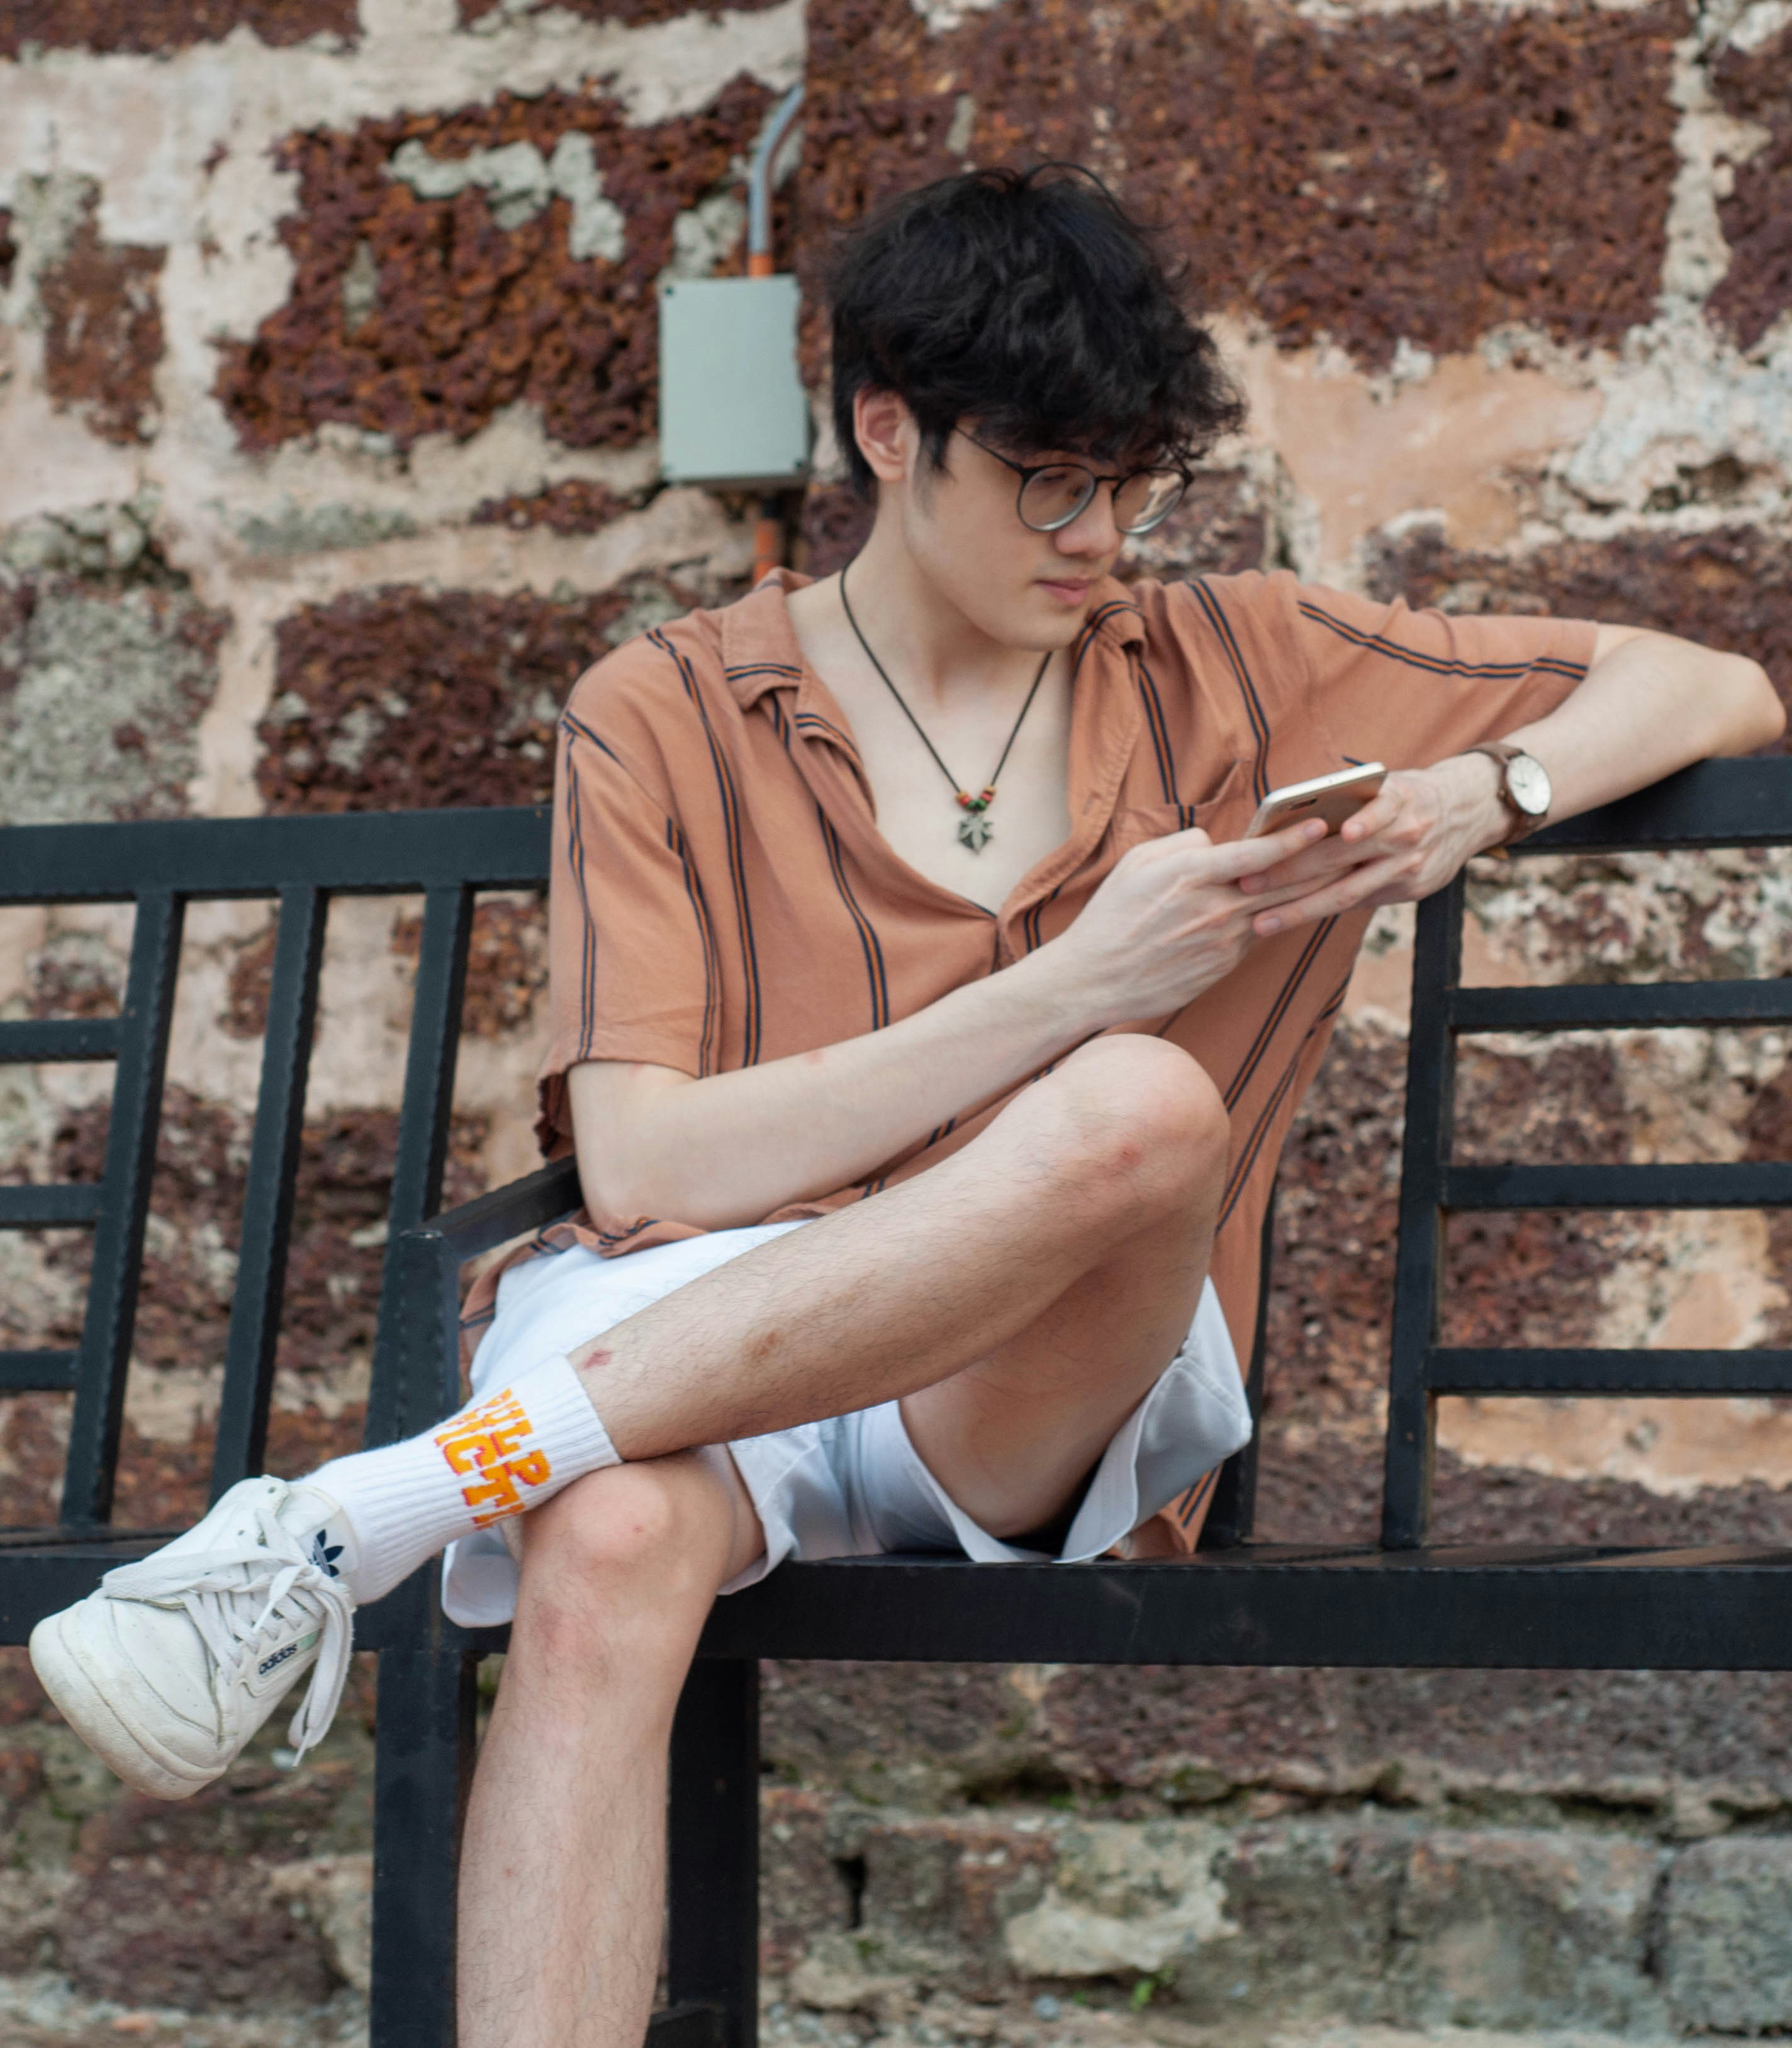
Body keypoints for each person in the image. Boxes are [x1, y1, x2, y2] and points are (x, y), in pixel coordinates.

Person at [30, 164, 1783, 2045]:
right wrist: (1071, 978)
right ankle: (414, 1510)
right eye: (1050, 479)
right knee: (608, 1544)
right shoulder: (666, 708)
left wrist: (1479, 796)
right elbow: (642, 1161)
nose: (1101, 531)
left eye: (1129, 482)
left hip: (1014, 1382)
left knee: (1138, 1109)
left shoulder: (1226, 659)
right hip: (686, 1318)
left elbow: (1715, 682)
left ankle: (351, 1518)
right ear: (889, 429)